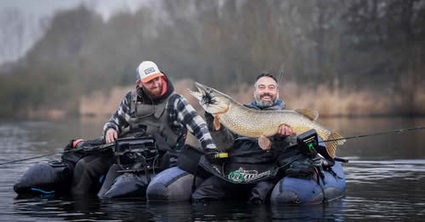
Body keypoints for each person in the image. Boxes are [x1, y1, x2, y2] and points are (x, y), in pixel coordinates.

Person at [191, 72, 345, 204]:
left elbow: (288, 154)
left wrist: (280, 138)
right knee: (201, 196)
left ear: (277, 93)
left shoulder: (287, 115)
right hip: (236, 171)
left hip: (268, 172)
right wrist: (212, 120)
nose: (266, 91)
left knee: (258, 200)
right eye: (261, 87)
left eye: (271, 88)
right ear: (254, 92)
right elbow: (224, 146)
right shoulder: (236, 113)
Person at [72, 61, 219, 199]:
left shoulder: (176, 102)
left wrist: (212, 150)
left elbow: (200, 127)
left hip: (160, 161)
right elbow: (114, 121)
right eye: (150, 81)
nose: (156, 84)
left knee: (110, 196)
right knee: (85, 166)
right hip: (128, 158)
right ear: (140, 84)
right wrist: (110, 129)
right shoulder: (130, 99)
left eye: (157, 79)